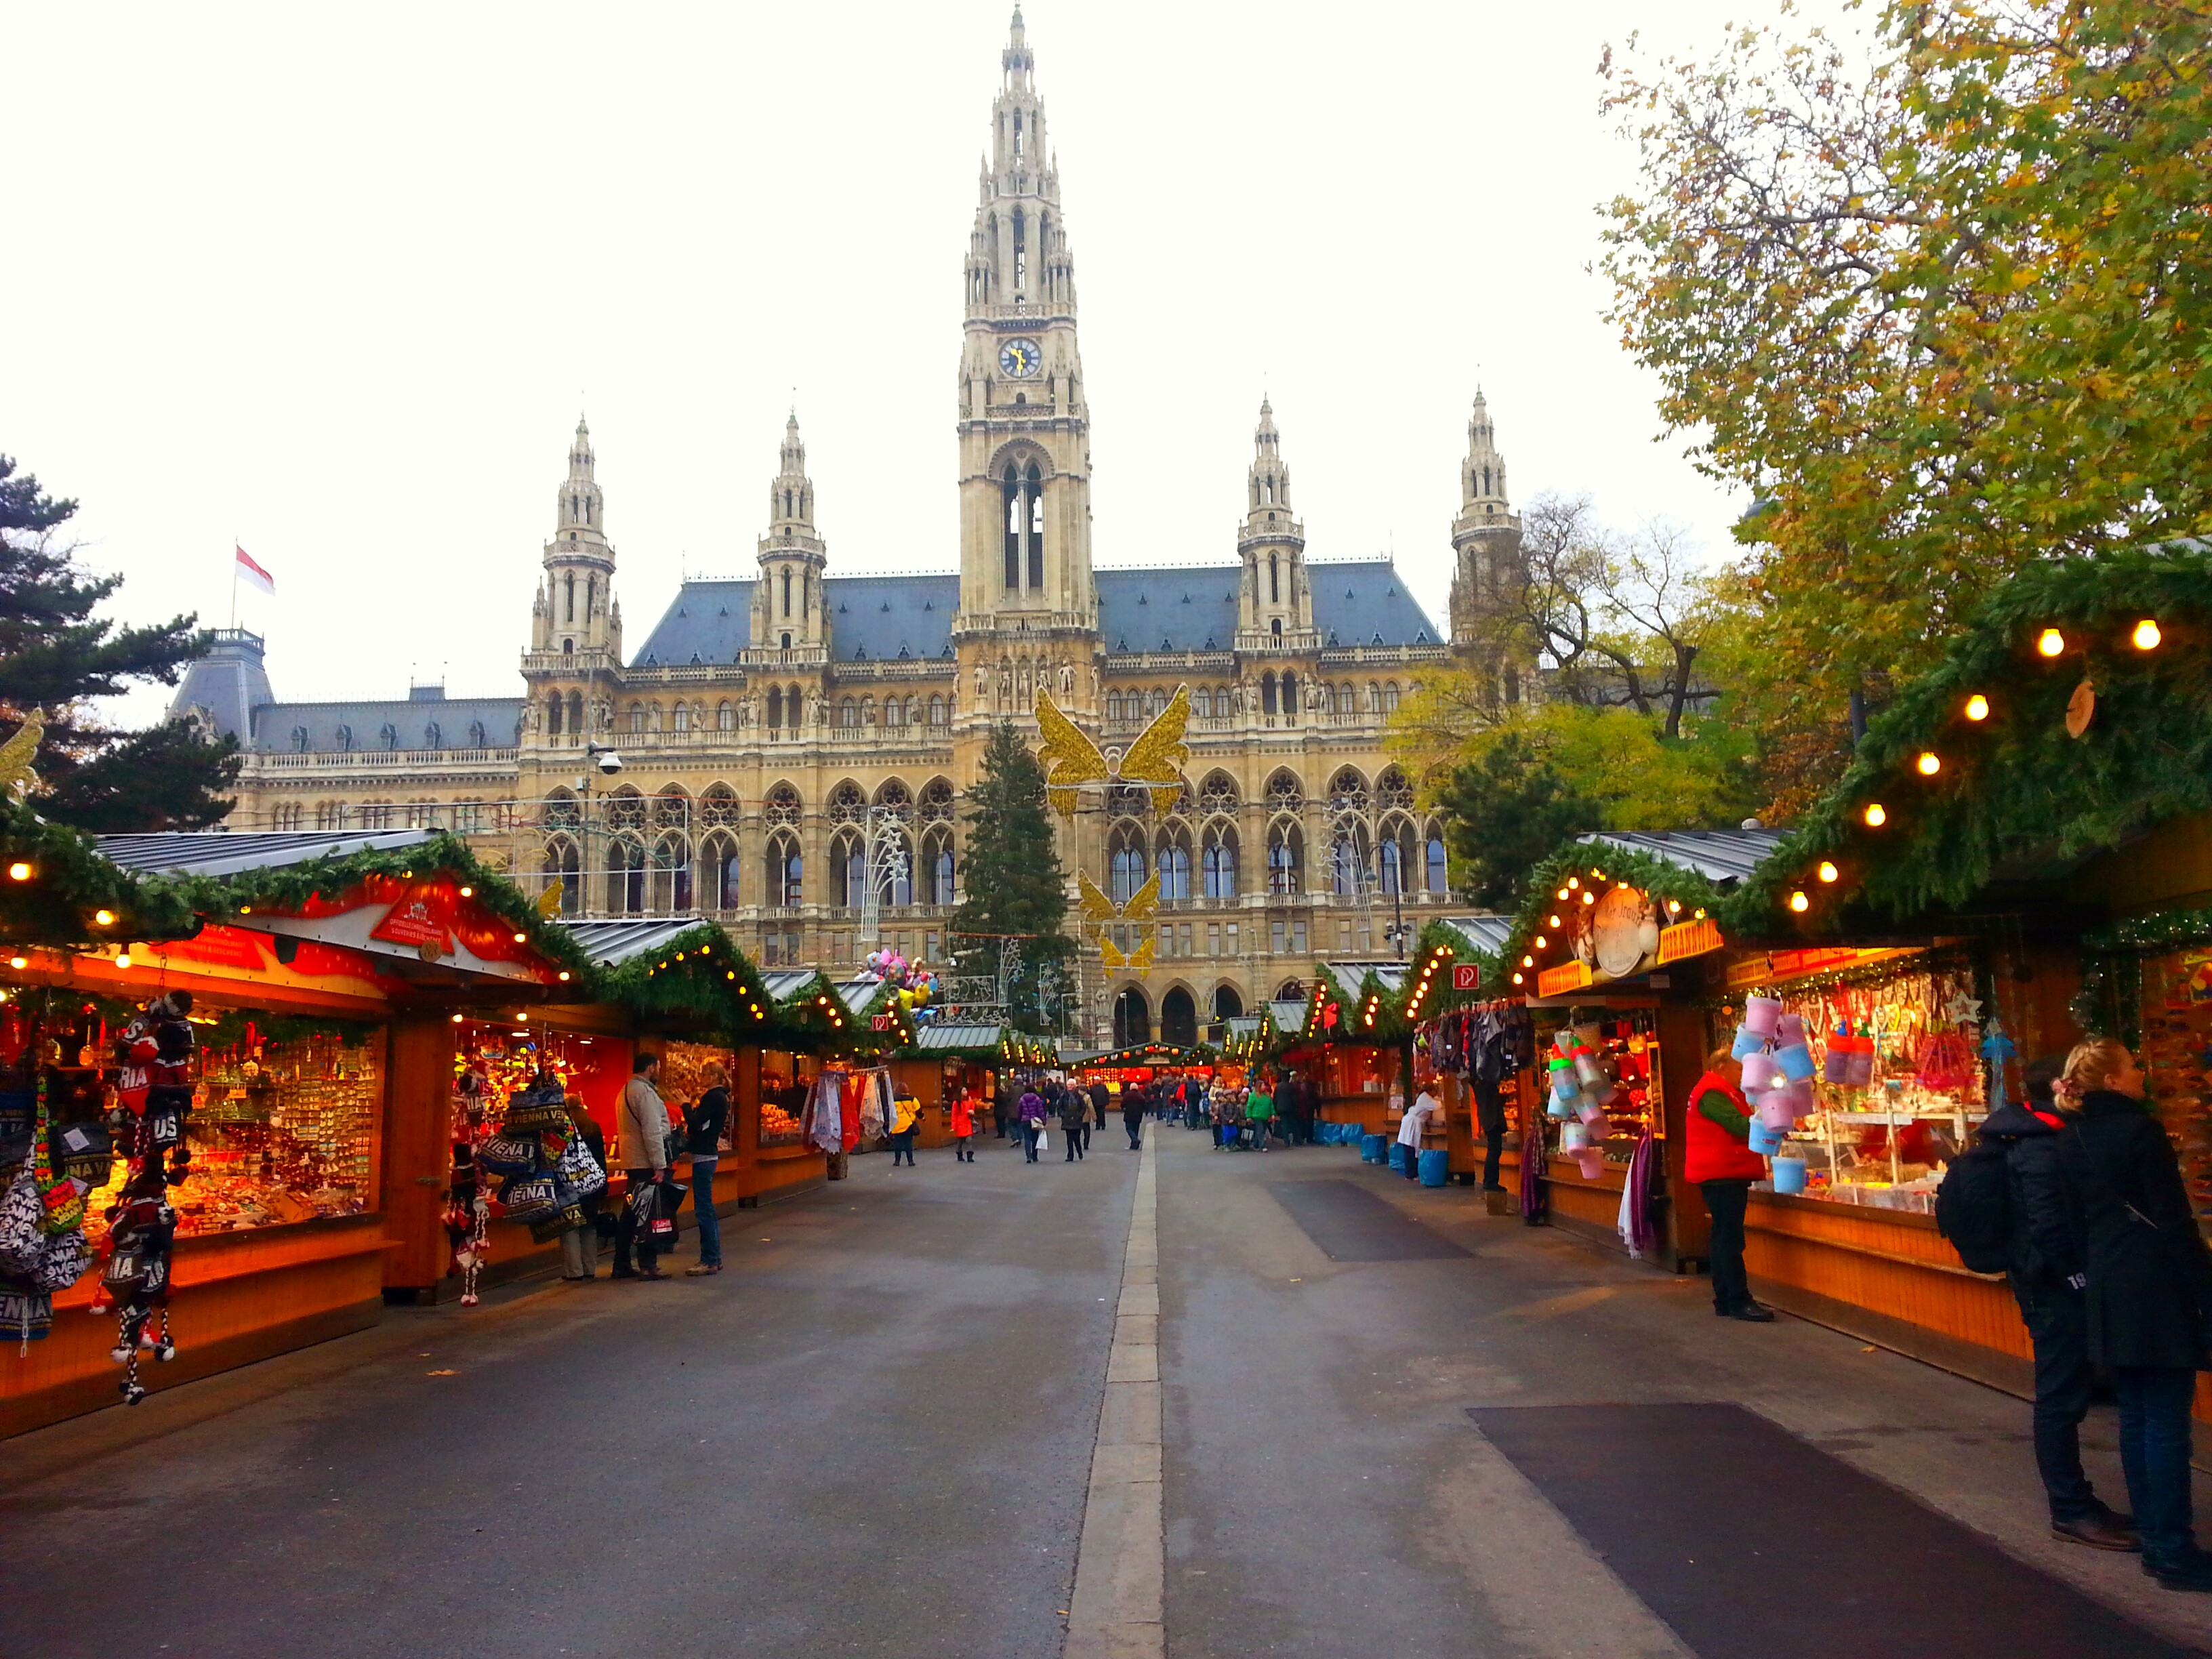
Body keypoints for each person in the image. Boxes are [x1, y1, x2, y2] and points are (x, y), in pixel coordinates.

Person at [2022, 1038, 2212, 1591]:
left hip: (2109, 1287)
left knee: (2137, 1416)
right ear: (2111, 1079)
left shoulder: (2070, 1138)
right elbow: (2174, 1222)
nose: (2141, 1075)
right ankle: (2175, 1551)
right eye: (2132, 1067)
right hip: (2156, 1287)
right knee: (2166, 1422)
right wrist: (2205, 1293)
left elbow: (2069, 1223)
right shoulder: (2139, 1133)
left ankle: (2157, 1542)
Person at [1982, 1055, 2136, 1549]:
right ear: (2060, 1087)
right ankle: (2070, 1508)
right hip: (2051, 1286)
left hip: (2046, 1281)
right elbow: (2049, 1223)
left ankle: (2078, 1503)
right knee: (2060, 1396)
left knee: (2065, 1392)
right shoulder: (2041, 1143)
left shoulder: (2033, 1135)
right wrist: (2077, 1276)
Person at [1685, 1048, 1772, 1321]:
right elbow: (1737, 1125)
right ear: (1722, 1067)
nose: (1743, 1076)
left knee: (1723, 1236)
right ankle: (1738, 1299)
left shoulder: (1721, 1090)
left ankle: (1725, 1298)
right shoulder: (1712, 1092)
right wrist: (1771, 1117)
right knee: (1730, 1238)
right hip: (1722, 1172)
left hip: (1724, 1171)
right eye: (1739, 1069)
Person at [615, 1051, 672, 1282]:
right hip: (646, 1162)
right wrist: (660, 1164)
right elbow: (652, 1131)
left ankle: (622, 1263)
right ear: (650, 1068)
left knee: (630, 1214)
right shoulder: (645, 1094)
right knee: (647, 1214)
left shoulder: (626, 1091)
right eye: (658, 1067)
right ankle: (648, 1264)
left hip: (632, 1159)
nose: (659, 1071)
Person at [680, 1061, 730, 1276]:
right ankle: (714, 1257)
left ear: (714, 1077)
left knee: (703, 1208)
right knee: (707, 1207)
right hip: (708, 1153)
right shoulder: (721, 1098)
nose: (701, 1077)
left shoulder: (713, 1097)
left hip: (703, 1154)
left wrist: (685, 1106)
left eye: (705, 1074)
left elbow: (695, 1122)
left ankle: (709, 1258)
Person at [560, 1096, 607, 1281]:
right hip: (592, 1185)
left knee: (570, 1228)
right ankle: (590, 1267)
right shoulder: (593, 1127)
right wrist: (603, 1186)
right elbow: (601, 1159)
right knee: (589, 1226)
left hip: (571, 1186)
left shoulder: (564, 1131)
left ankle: (574, 1271)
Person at [1397, 1082, 1438, 1181]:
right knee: (1410, 1148)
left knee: (1410, 1147)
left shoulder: (1423, 1097)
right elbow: (1437, 1106)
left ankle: (1410, 1173)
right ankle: (1411, 1173)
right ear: (1431, 1091)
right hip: (1412, 1124)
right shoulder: (1425, 1098)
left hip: (1410, 1122)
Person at [888, 1088, 922, 1167]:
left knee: (898, 1143)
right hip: (908, 1123)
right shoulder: (912, 1099)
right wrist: (922, 1117)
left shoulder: (893, 1099)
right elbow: (918, 1110)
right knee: (908, 1142)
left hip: (896, 1123)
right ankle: (910, 1161)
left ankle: (897, 1161)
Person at [1017, 1081, 1048, 1162]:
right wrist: (1043, 1120)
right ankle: (1035, 1156)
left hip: (1025, 1120)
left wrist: (1019, 1119)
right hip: (1035, 1120)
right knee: (1035, 1139)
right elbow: (1040, 1111)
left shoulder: (1022, 1099)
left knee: (1027, 1138)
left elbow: (1019, 1110)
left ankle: (1028, 1156)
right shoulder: (1037, 1099)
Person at [1059, 1082, 1090, 1162]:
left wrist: (1080, 1115)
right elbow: (1060, 1107)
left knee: (1076, 1138)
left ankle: (1079, 1151)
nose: (1070, 1087)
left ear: (1075, 1086)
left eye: (1072, 1085)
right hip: (1067, 1120)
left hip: (1077, 1120)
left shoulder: (1079, 1096)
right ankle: (1070, 1155)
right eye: (1069, 1085)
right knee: (1069, 1139)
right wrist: (1063, 1115)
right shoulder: (1063, 1096)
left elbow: (1083, 1107)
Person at [1245, 1077, 1276, 1151]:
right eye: (1263, 1086)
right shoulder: (1253, 1095)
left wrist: (1273, 1114)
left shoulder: (1267, 1095)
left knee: (1261, 1131)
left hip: (1265, 1116)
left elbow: (1271, 1105)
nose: (1264, 1087)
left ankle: (1254, 1144)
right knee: (1260, 1130)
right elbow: (1249, 1106)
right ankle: (1262, 1146)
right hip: (1257, 1116)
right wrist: (1248, 1116)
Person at [949, 1089, 977, 1162]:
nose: (966, 1092)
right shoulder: (956, 1103)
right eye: (964, 1091)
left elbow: (973, 1110)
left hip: (967, 1123)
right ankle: (959, 1154)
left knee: (969, 1140)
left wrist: (972, 1112)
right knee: (960, 1141)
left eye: (966, 1090)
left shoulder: (970, 1101)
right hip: (960, 1124)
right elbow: (954, 1115)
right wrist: (953, 1126)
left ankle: (970, 1156)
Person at [1122, 1080, 1147, 1151]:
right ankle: (1134, 1145)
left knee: (1129, 1128)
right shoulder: (1140, 1095)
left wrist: (1123, 1108)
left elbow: (1123, 1103)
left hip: (1129, 1114)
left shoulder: (1127, 1095)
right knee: (1136, 1130)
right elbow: (1144, 1104)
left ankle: (1135, 1140)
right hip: (1138, 1115)